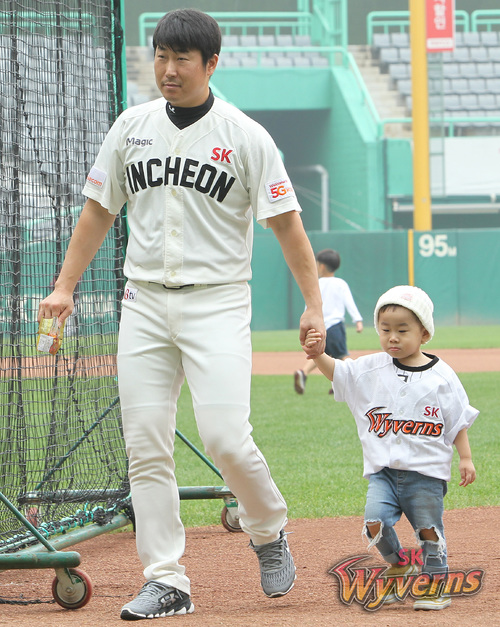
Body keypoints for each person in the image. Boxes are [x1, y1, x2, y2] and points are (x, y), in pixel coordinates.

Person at [38, 8, 325, 621]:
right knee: (144, 444)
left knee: (225, 436)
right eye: (160, 57)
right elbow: (97, 211)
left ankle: (268, 528)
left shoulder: (246, 136)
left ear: (211, 63)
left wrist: (313, 302)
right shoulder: (130, 127)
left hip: (217, 301)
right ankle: (166, 579)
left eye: (181, 60)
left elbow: (286, 225)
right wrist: (65, 286)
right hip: (142, 301)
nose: (167, 70)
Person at [304, 285, 478, 611]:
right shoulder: (371, 368)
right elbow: (341, 374)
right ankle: (399, 563)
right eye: (385, 330)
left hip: (425, 474)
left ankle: (436, 585)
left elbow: (458, 420)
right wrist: (318, 356)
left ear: (424, 333)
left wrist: (465, 458)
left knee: (428, 531)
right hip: (383, 472)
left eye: (402, 330)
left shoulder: (441, 377)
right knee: (374, 522)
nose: (392, 338)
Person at [294, 248, 363, 395]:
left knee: (321, 353)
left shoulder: (316, 284)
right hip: (336, 326)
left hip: (320, 326)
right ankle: (351, 379)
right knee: (343, 355)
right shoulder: (340, 283)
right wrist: (358, 320)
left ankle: (304, 372)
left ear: (322, 266)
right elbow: (349, 303)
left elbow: (309, 304)